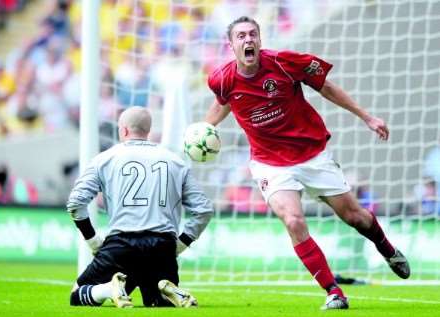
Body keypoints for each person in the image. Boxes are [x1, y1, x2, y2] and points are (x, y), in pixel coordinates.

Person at [205, 16, 410, 310]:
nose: (248, 40)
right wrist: (202, 129)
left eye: (253, 34)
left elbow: (326, 87)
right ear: (231, 44)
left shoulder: (284, 63)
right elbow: (223, 101)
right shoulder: (220, 79)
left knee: (355, 218)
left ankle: (387, 249)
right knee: (293, 221)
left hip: (311, 154)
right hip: (269, 163)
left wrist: (366, 116)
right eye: (241, 36)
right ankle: (334, 292)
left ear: (260, 40)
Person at [66, 106, 214, 308]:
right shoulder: (176, 161)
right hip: (162, 247)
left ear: (124, 130)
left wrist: (93, 242)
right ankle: (166, 291)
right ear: (148, 131)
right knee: (157, 302)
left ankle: (109, 289)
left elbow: (75, 203)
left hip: (122, 244)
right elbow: (204, 210)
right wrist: (180, 245)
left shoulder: (104, 159)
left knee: (77, 295)